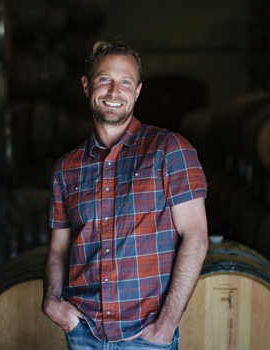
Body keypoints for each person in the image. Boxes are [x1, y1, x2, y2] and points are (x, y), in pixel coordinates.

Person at [42, 40, 208, 350]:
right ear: (86, 85)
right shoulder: (65, 168)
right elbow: (58, 249)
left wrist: (166, 326)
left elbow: (196, 238)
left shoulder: (170, 150)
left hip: (146, 337)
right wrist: (52, 301)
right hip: (84, 333)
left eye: (126, 81)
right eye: (105, 78)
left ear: (138, 91)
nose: (114, 90)